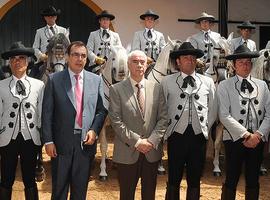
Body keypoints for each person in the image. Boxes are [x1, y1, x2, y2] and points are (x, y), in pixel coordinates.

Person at [42, 41, 107, 200]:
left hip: (85, 144)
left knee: (80, 192)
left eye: (83, 55)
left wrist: (94, 130)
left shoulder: (96, 80)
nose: (79, 58)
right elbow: (47, 113)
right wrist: (48, 141)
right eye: (75, 55)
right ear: (67, 57)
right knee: (59, 191)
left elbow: (101, 110)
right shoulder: (54, 80)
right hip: (61, 144)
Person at [109, 50, 167, 200]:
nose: (139, 65)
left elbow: (163, 119)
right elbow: (115, 121)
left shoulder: (157, 88)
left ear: (147, 65)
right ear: (128, 64)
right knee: (126, 195)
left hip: (151, 152)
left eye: (142, 62)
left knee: (149, 195)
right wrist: (137, 141)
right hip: (127, 151)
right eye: (135, 61)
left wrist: (151, 141)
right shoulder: (116, 89)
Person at [161, 42, 217, 200]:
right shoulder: (167, 81)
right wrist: (166, 132)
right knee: (174, 176)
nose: (190, 60)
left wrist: (206, 127)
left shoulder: (207, 82)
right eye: (186, 57)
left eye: (193, 58)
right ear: (178, 61)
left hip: (199, 137)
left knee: (195, 177)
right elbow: (162, 108)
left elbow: (213, 108)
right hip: (176, 135)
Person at [217, 44, 270, 200]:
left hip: (257, 139)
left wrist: (258, 135)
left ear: (251, 64)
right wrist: (246, 135)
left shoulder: (263, 85)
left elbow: (269, 114)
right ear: (234, 65)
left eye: (248, 62)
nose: (245, 65)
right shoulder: (224, 85)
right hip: (235, 139)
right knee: (231, 178)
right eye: (241, 62)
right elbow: (224, 115)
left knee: (253, 179)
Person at [0, 42, 44, 200]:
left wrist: (43, 137)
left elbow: (41, 114)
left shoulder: (39, 85)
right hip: (7, 139)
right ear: (9, 63)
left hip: (30, 138)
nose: (17, 61)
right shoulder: (1, 86)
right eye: (13, 58)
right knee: (6, 179)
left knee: (29, 180)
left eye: (21, 58)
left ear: (27, 62)